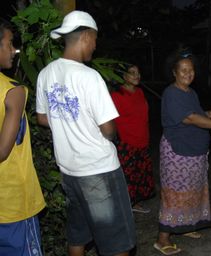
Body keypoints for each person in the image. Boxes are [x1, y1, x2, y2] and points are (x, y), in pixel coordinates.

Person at [35, 11, 135, 256]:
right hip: (98, 170)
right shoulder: (90, 77)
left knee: (78, 234)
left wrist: (67, 122)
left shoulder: (45, 74)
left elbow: (42, 118)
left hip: (69, 171)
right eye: (95, 39)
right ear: (86, 36)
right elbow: (109, 130)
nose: (95, 45)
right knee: (117, 241)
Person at [153, 51, 211, 255]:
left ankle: (185, 227)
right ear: (174, 72)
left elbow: (196, 114)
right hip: (178, 154)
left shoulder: (190, 93)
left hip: (194, 153)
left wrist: (208, 114)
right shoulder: (171, 93)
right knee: (174, 195)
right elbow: (189, 119)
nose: (188, 73)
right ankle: (162, 238)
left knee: (192, 192)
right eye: (183, 70)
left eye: (191, 70)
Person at [0, 19, 45, 255]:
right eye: (8, 44)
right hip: (13, 203)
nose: (14, 50)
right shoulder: (12, 91)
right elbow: (2, 151)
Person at [111, 64, 155, 214]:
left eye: (138, 72)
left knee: (140, 174)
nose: (137, 76)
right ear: (123, 76)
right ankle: (126, 205)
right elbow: (111, 120)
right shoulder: (117, 96)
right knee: (128, 177)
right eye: (132, 73)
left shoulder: (140, 92)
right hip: (127, 143)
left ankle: (135, 203)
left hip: (142, 140)